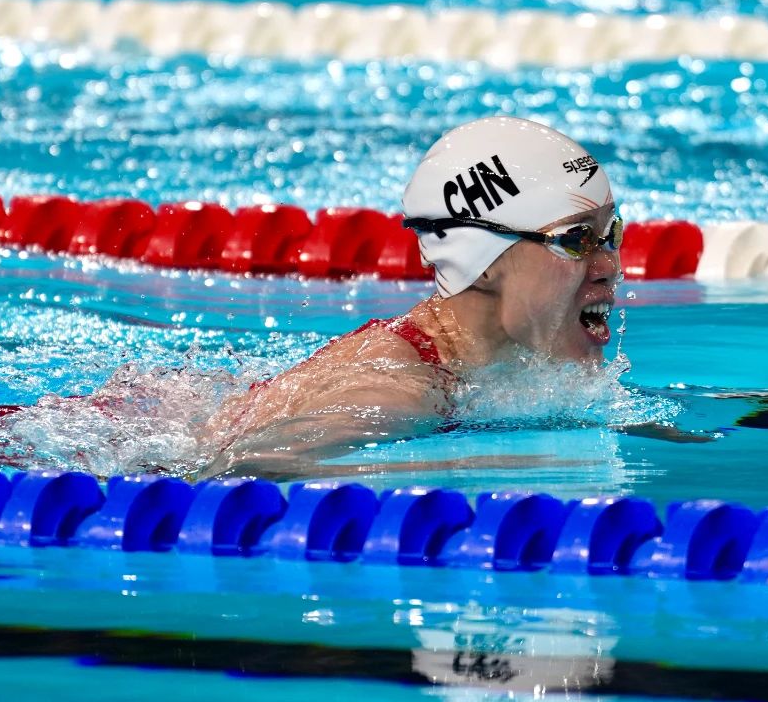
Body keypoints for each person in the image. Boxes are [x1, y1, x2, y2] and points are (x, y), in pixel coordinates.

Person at [193, 116, 624, 475]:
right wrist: (474, 463)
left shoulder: (506, 361)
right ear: (482, 262)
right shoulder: (397, 395)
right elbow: (232, 470)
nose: (610, 266)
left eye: (611, 233)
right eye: (576, 240)